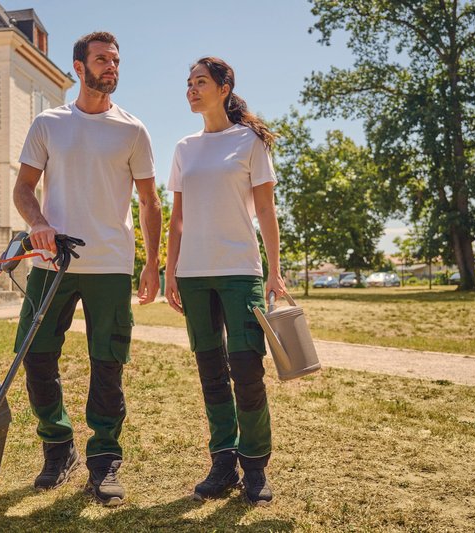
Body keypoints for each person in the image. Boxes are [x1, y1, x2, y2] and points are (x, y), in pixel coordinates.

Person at [13, 31, 161, 507]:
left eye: (116, 59)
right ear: (79, 67)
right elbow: (23, 189)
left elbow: (150, 202)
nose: (112, 66)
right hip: (52, 262)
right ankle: (58, 447)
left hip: (110, 266)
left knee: (108, 363)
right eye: (102, 59)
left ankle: (103, 460)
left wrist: (152, 264)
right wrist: (38, 222)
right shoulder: (48, 123)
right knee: (33, 354)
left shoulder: (132, 130)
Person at [164, 57, 285, 507]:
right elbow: (177, 219)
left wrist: (274, 271)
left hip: (241, 271)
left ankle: (254, 465)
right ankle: (222, 461)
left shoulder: (249, 142)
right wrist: (170, 270)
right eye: (189, 83)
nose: (192, 89)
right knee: (211, 373)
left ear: (224, 87)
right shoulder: (183, 148)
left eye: (201, 82)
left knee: (247, 369)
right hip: (193, 275)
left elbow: (267, 211)